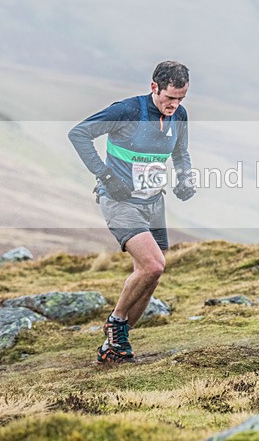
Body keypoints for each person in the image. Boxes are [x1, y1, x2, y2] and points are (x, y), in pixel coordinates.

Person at [68, 61, 196, 363]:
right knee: (153, 265)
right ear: (154, 87)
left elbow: (181, 153)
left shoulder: (180, 115)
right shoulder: (126, 111)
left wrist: (185, 178)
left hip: (153, 202)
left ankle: (117, 343)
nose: (174, 105)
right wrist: (106, 176)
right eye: (169, 98)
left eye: (181, 99)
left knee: (151, 274)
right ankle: (115, 323)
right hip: (120, 202)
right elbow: (79, 134)